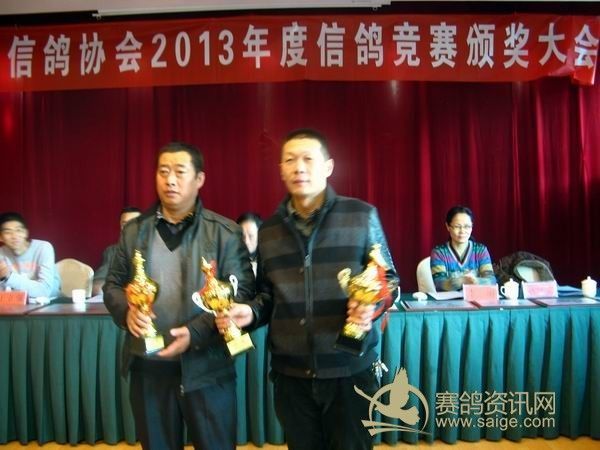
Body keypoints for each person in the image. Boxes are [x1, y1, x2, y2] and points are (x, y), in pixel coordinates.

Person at [217, 129, 400, 450]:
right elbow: (267, 297)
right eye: (290, 160)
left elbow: (391, 281)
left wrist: (371, 307)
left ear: (328, 167)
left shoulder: (360, 216)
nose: (299, 167)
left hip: (349, 372)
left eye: (308, 159)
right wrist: (250, 313)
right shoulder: (270, 231)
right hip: (291, 377)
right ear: (281, 170)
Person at [103, 142, 254, 450]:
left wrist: (196, 332)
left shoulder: (224, 232)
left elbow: (243, 292)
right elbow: (113, 285)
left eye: (179, 172)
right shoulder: (134, 231)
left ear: (199, 179)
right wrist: (127, 312)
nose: (170, 180)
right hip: (149, 368)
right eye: (163, 172)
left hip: (208, 368)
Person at [430, 205, 497, 291]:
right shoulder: (439, 252)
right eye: (457, 226)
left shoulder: (480, 250)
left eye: (467, 226)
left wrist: (476, 281)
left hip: (476, 297)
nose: (462, 231)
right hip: (449, 299)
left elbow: (491, 280)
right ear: (448, 226)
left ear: (472, 227)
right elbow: (439, 284)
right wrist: (461, 281)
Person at [0, 212, 60, 298]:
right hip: (16, 303)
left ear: (26, 233)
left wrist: (8, 277)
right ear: (1, 237)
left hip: (51, 302)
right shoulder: (1, 253)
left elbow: (44, 291)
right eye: (8, 232)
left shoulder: (43, 248)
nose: (14, 236)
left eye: (18, 230)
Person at [92, 206, 142, 295]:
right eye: (125, 224)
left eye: (134, 224)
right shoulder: (112, 252)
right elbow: (97, 285)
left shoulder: (156, 249)